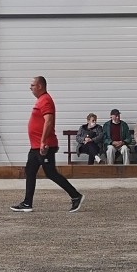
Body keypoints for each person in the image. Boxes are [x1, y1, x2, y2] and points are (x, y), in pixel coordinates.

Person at [11, 76, 84, 213]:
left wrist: (43, 141)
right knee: (30, 171)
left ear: (40, 86)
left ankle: (75, 196)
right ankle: (27, 203)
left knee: (51, 173)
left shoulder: (46, 100)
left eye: (32, 85)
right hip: (36, 146)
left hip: (44, 146)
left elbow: (48, 121)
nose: (30, 87)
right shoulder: (41, 100)